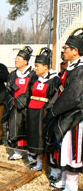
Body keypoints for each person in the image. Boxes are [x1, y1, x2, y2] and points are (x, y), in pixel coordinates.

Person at [47, 29, 83, 191]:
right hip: (65, 114)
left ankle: (71, 185)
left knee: (72, 151)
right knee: (63, 149)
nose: (63, 51)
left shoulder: (80, 70)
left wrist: (54, 110)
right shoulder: (70, 68)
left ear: (75, 51)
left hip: (74, 116)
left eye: (66, 48)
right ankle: (64, 178)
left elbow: (73, 96)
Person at [26, 48, 61, 172]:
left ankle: (54, 169)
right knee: (35, 138)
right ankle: (38, 162)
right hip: (33, 112)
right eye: (35, 66)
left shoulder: (55, 79)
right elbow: (29, 93)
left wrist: (48, 110)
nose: (35, 69)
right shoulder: (35, 78)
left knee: (46, 139)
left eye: (37, 66)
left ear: (46, 67)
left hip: (45, 113)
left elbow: (56, 97)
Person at [5, 46, 37, 160]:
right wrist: (12, 101)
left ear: (26, 61)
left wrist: (21, 101)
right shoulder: (12, 74)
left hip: (28, 107)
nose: (16, 60)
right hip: (14, 107)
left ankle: (31, 154)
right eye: (16, 58)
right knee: (14, 129)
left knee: (28, 129)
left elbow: (32, 91)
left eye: (18, 58)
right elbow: (8, 90)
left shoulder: (33, 74)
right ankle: (17, 152)